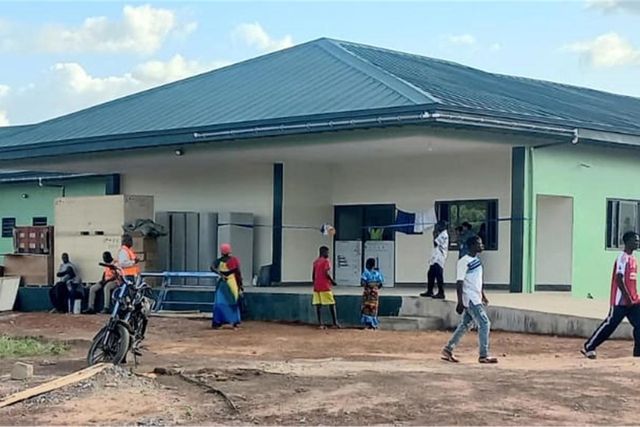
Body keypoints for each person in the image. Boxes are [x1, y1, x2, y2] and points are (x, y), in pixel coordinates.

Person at [582, 231, 640, 359]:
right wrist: (627, 297)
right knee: (610, 325)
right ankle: (589, 346)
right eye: (635, 240)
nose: (637, 243)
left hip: (633, 302)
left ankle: (638, 354)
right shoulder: (622, 258)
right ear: (628, 242)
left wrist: (635, 297)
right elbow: (619, 279)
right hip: (621, 302)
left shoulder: (633, 260)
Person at [441, 235, 497, 364]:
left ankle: (448, 349)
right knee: (484, 323)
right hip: (470, 299)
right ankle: (484, 354)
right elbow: (460, 282)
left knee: (465, 324)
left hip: (476, 297)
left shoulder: (476, 261)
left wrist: (483, 295)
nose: (481, 246)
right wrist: (460, 301)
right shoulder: (464, 262)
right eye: (479, 244)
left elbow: (477, 281)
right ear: (472, 246)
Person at [210, 243, 243, 329]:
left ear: (221, 252)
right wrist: (241, 286)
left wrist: (220, 274)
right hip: (232, 283)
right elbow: (238, 273)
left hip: (222, 283)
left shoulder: (218, 261)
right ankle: (234, 322)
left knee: (219, 303)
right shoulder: (234, 260)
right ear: (229, 251)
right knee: (233, 302)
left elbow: (212, 267)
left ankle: (218, 323)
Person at [312, 246, 340, 329]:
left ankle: (320, 323)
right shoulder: (326, 261)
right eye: (327, 252)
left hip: (317, 286)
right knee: (332, 304)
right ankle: (335, 322)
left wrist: (315, 282)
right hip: (325, 286)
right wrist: (332, 281)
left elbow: (313, 275)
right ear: (322, 252)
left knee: (318, 305)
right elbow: (327, 273)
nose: (328, 254)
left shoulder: (315, 262)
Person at [421, 220, 449, 299]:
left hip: (439, 257)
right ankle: (430, 291)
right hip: (436, 257)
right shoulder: (441, 234)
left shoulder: (444, 234)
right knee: (430, 274)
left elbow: (435, 243)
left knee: (438, 275)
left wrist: (434, 234)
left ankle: (441, 292)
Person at [361, 258, 384, 330]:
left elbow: (363, 282)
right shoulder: (377, 273)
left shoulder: (365, 273)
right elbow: (380, 284)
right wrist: (375, 287)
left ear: (367, 265)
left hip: (367, 294)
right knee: (374, 308)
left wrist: (369, 286)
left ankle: (367, 324)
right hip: (374, 294)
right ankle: (373, 324)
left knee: (366, 308)